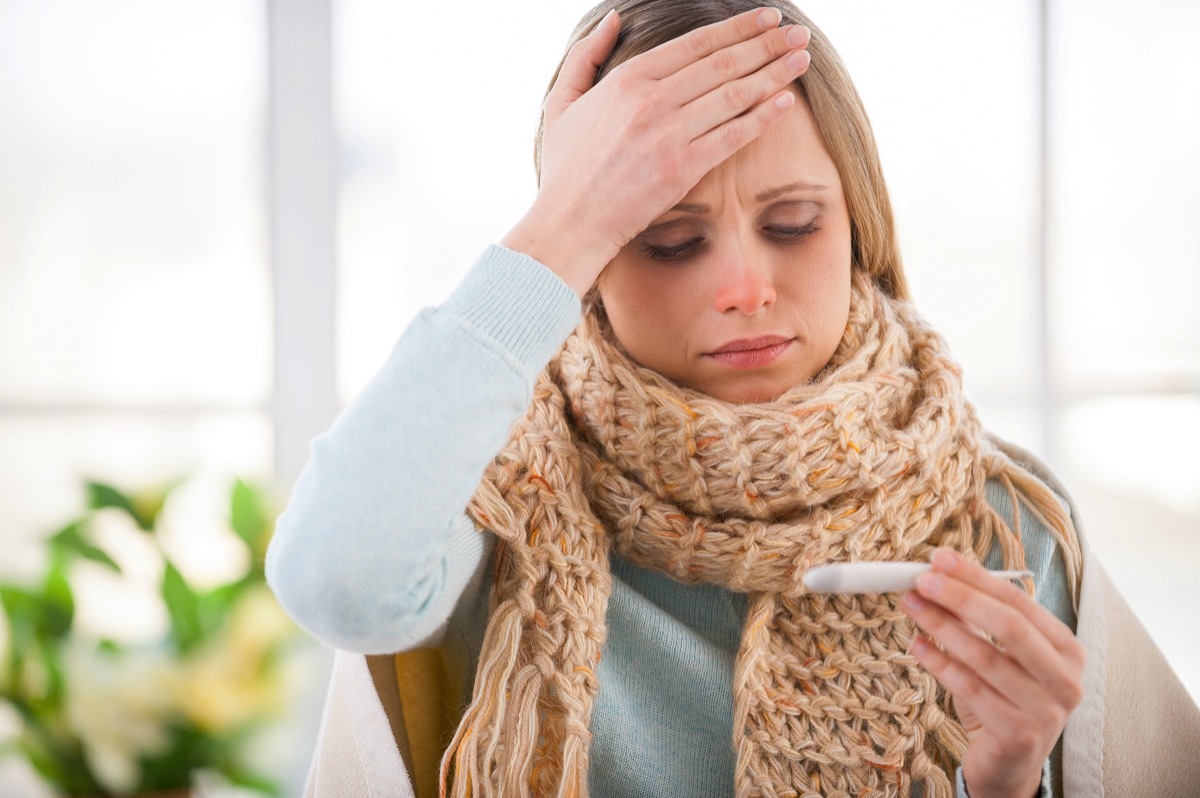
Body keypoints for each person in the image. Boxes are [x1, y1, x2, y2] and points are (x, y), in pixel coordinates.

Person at [266, 2, 1200, 797]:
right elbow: (335, 578)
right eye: (668, 238)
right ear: (592, 267)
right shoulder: (488, 512)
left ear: (857, 225)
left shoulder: (1005, 528)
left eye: (792, 224)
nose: (745, 286)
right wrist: (563, 218)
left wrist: (1003, 781)